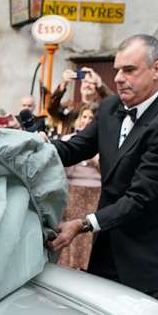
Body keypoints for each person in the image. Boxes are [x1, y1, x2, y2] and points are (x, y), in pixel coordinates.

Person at [48, 33, 158, 304]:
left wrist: (81, 225)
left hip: (149, 260)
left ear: (156, 70)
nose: (117, 78)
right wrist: (35, 147)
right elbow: (75, 148)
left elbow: (139, 198)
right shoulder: (111, 106)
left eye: (129, 70)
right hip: (108, 250)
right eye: (117, 70)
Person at [58, 105, 100, 272]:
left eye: (91, 118)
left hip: (95, 191)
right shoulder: (69, 139)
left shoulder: (102, 142)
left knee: (87, 231)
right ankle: (66, 265)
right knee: (70, 228)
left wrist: (95, 161)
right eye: (84, 117)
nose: (87, 121)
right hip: (73, 189)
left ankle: (84, 266)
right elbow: (62, 170)